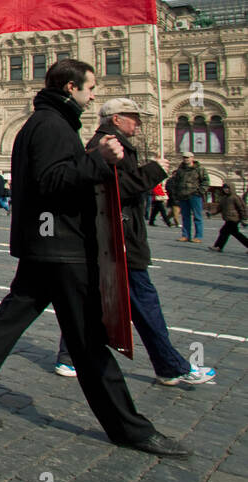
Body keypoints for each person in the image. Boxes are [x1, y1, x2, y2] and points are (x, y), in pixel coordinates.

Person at [0, 61, 190, 457]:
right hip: (60, 246)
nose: (93, 96)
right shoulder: (53, 127)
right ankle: (129, 428)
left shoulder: (45, 123)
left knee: (8, 322)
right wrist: (100, 161)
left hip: (45, 244)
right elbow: (52, 182)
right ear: (71, 87)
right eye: (90, 88)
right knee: (89, 340)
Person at [52, 99, 216, 385]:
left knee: (95, 298)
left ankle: (69, 357)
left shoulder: (112, 143)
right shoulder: (107, 146)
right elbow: (112, 190)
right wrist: (154, 171)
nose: (138, 123)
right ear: (116, 119)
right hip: (120, 238)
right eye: (134, 117)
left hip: (117, 235)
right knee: (143, 302)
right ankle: (170, 366)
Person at [169, 150, 210, 243]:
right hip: (183, 195)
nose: (186, 159)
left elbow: (206, 181)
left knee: (197, 217)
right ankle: (185, 235)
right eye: (184, 157)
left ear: (192, 158)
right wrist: (176, 193)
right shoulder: (180, 169)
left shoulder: (200, 169)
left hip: (195, 196)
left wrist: (200, 191)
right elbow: (176, 182)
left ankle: (198, 236)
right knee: (185, 216)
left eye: (187, 157)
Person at [209, 182, 248, 253]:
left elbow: (242, 208)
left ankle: (218, 246)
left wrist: (244, 218)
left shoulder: (235, 197)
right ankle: (218, 247)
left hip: (234, 219)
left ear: (231, 189)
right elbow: (219, 208)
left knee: (224, 231)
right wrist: (211, 213)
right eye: (224, 188)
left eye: (227, 188)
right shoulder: (224, 198)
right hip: (228, 219)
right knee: (235, 233)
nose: (226, 190)